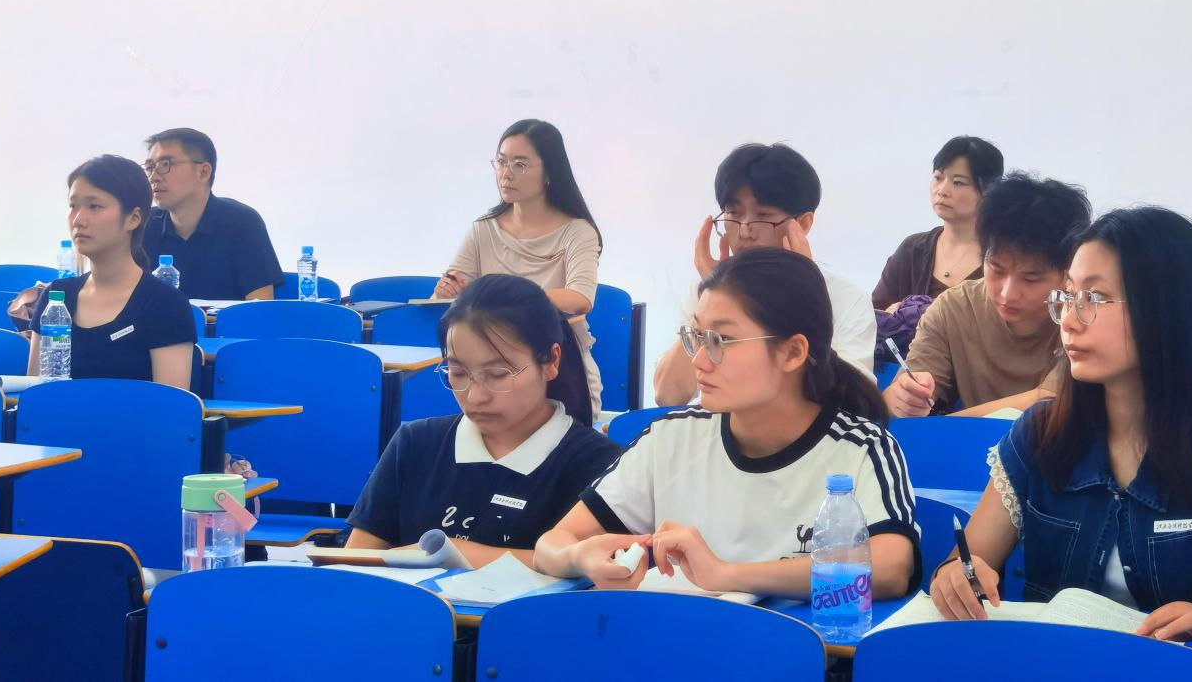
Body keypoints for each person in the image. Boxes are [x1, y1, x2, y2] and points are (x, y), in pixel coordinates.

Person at [930, 207, 1192, 653]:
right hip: (1055, 665)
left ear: (1166, 310)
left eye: (1094, 299)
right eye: (1067, 296)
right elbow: (966, 560)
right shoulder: (1039, 435)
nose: (1068, 320)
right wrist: (956, 576)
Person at [535, 248, 919, 600]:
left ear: (792, 352)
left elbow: (892, 567)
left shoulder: (860, 449)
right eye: (696, 336)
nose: (700, 361)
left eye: (721, 340)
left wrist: (726, 574)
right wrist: (580, 557)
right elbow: (550, 545)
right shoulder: (671, 437)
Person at [346, 274, 620, 568]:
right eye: (458, 372)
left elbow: (600, 566)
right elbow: (354, 563)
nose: (475, 397)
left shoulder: (602, 465)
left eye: (499, 374)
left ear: (551, 361)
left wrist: (454, 553)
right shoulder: (415, 444)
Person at [652, 143, 876, 407]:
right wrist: (711, 297)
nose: (745, 230)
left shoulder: (846, 298)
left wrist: (803, 293)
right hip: (721, 429)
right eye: (733, 213)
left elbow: (854, 406)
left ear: (803, 223)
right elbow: (668, 396)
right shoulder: (704, 295)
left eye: (764, 215)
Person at [884, 172, 1092, 417]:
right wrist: (902, 397)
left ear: (1067, 273)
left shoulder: (1081, 317)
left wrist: (949, 422)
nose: (1007, 293)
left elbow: (1050, 400)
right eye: (997, 269)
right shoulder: (954, 308)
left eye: (1030, 278)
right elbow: (903, 392)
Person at [434, 119, 604, 418]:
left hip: (559, 369)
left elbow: (580, 298)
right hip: (487, 373)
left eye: (520, 164)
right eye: (501, 162)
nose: (506, 173)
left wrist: (505, 299)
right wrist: (447, 292)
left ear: (549, 172)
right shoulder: (483, 230)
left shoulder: (577, 231)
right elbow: (453, 299)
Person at [28, 155, 195, 387]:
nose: (78, 220)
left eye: (94, 206)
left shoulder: (165, 304)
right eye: (73, 206)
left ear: (133, 219)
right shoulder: (56, 298)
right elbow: (34, 393)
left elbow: (171, 403)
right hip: (60, 413)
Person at [141, 128, 283, 300]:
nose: (153, 177)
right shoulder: (144, 225)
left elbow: (259, 308)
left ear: (204, 172)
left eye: (165, 164)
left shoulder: (242, 222)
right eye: (150, 167)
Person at [872, 136, 1004, 311]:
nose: (942, 190)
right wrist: (891, 314)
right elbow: (871, 315)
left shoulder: (1006, 254)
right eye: (938, 177)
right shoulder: (912, 249)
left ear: (989, 189)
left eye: (958, 182)